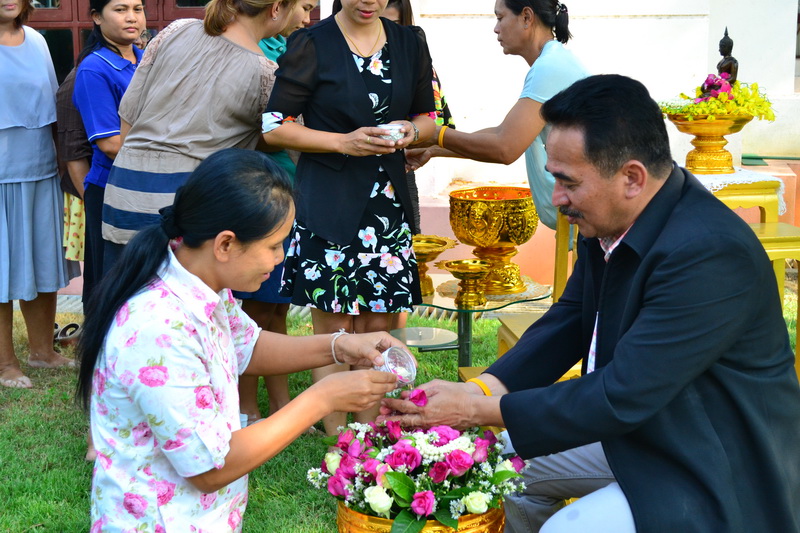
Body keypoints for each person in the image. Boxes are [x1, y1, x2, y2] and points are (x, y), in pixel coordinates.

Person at [381, 74, 800, 532]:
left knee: (567, 528)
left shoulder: (709, 252)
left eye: (568, 181)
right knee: (492, 465)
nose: (557, 198)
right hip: (642, 429)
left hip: (718, 462)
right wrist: (479, 391)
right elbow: (568, 320)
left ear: (632, 178)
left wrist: (475, 412)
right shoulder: (613, 218)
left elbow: (622, 393)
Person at [76, 148, 403, 531]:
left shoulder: (202, 285)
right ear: (225, 244)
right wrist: (322, 398)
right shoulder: (159, 328)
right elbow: (209, 469)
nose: (280, 258)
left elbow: (249, 346)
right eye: (274, 246)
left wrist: (339, 345)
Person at [261, 0, 436, 434]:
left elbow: (430, 117)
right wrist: (342, 142)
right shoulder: (311, 42)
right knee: (334, 326)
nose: (369, 2)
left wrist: (411, 131)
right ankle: (337, 437)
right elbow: (273, 125)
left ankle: (368, 434)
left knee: (379, 321)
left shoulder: (410, 42)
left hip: (387, 203)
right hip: (328, 199)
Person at [99, 0, 314, 272]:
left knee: (123, 292)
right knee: (183, 296)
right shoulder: (265, 73)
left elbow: (129, 117)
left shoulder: (175, 31)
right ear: (276, 8)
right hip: (187, 205)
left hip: (124, 189)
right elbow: (285, 141)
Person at [406, 0, 588, 231]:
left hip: (589, 215)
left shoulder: (550, 67)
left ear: (526, 17)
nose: (496, 28)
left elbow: (505, 147)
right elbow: (503, 133)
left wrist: (435, 133)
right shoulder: (552, 62)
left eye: (500, 18)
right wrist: (434, 148)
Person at [234, 0, 317, 428]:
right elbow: (266, 128)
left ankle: (281, 402)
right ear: (276, 7)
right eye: (304, 7)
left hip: (290, 186)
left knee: (279, 307)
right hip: (258, 189)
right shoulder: (253, 53)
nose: (306, 18)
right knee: (253, 310)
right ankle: (246, 405)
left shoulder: (289, 47)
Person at [0, 0, 79, 388]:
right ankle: (5, 364)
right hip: (1, 176)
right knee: (2, 269)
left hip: (40, 168)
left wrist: (64, 164)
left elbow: (53, 109)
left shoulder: (36, 39)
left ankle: (42, 351)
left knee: (42, 261)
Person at [72, 0, 145, 304]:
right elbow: (110, 145)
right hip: (112, 190)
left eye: (138, 9)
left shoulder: (147, 60)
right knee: (112, 286)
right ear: (96, 17)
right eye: (120, 9)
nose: (132, 17)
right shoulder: (94, 69)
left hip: (150, 185)